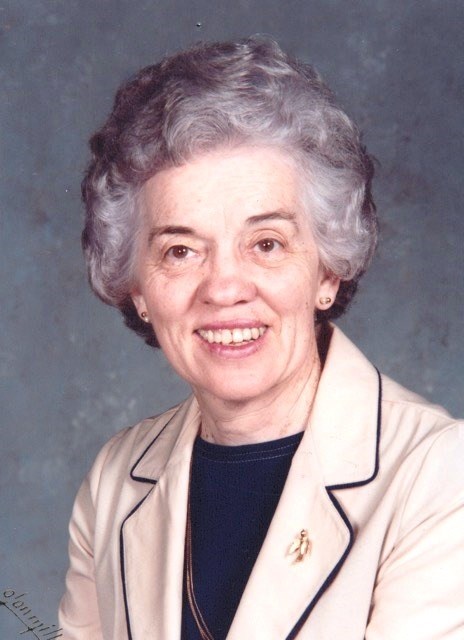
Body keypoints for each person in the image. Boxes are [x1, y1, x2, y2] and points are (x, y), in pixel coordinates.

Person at [59, 37, 464, 639]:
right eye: (180, 250)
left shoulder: (441, 475)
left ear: (327, 270)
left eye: (266, 244)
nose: (224, 288)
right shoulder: (115, 480)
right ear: (137, 288)